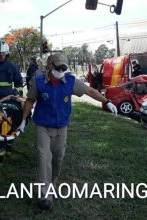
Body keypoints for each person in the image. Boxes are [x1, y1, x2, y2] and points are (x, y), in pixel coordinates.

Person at [17, 52, 118, 210]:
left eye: (65, 68)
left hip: (61, 127)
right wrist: (23, 120)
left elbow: (90, 91)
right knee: (44, 158)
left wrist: (107, 101)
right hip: (42, 126)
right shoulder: (38, 82)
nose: (62, 70)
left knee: (58, 158)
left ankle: (53, 184)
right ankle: (45, 195)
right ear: (49, 66)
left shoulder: (70, 81)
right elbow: (30, 101)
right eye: (59, 67)